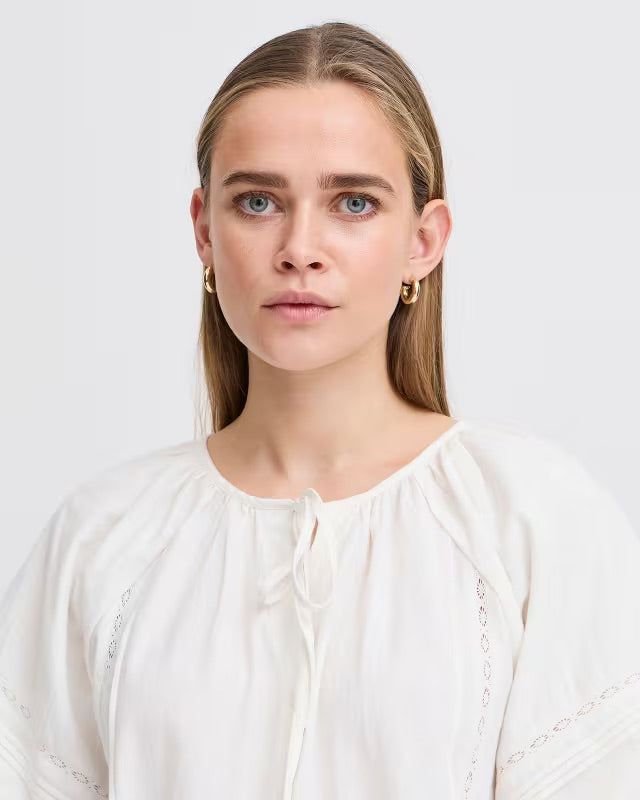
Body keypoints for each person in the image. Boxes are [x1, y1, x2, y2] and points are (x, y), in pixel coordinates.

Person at [1, 20, 639, 800]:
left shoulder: (531, 520)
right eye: (258, 201)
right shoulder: (102, 539)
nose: (300, 247)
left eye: (353, 202)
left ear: (424, 241)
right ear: (204, 230)